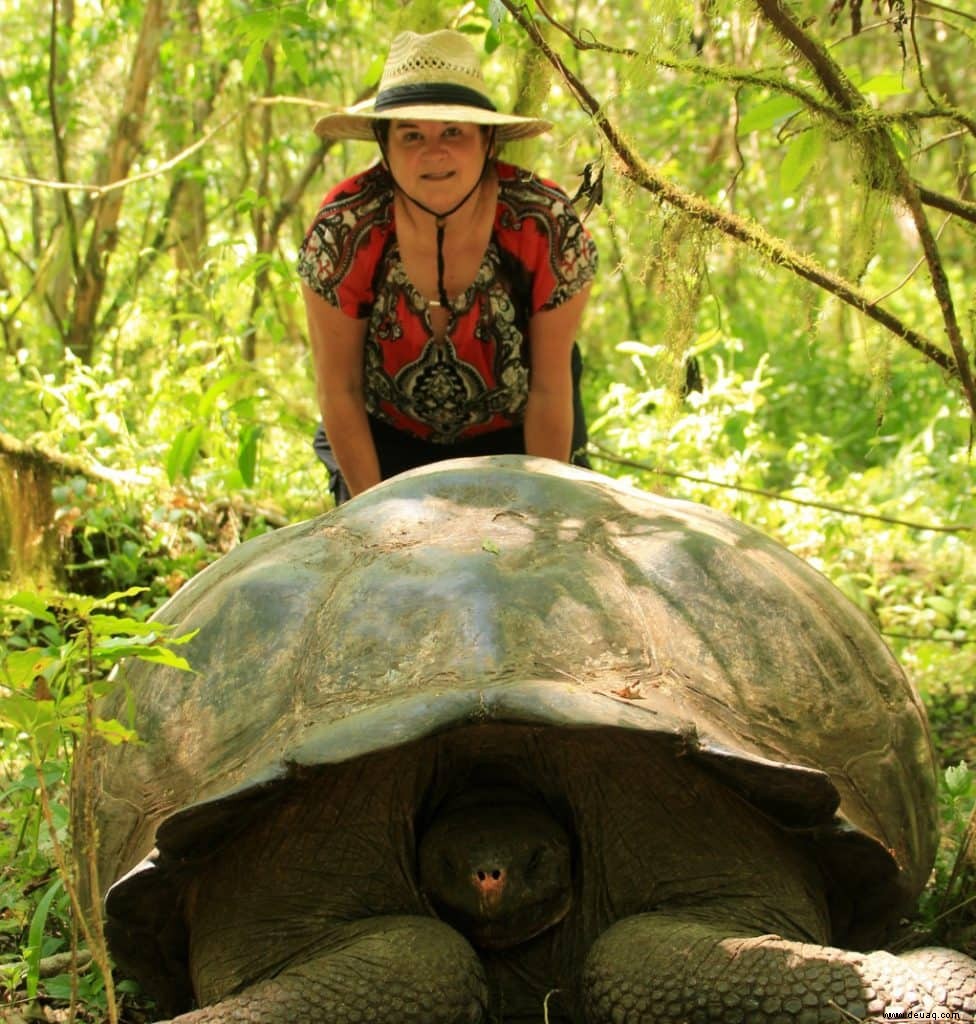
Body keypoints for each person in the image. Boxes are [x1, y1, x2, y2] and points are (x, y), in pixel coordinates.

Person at [298, 29, 597, 505]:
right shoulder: (344, 230)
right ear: (384, 144)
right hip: (385, 441)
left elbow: (548, 389)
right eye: (411, 134)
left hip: (519, 438)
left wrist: (543, 514)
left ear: (488, 142)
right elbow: (341, 389)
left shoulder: (544, 224)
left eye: (453, 132)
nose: (432, 152)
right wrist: (374, 518)